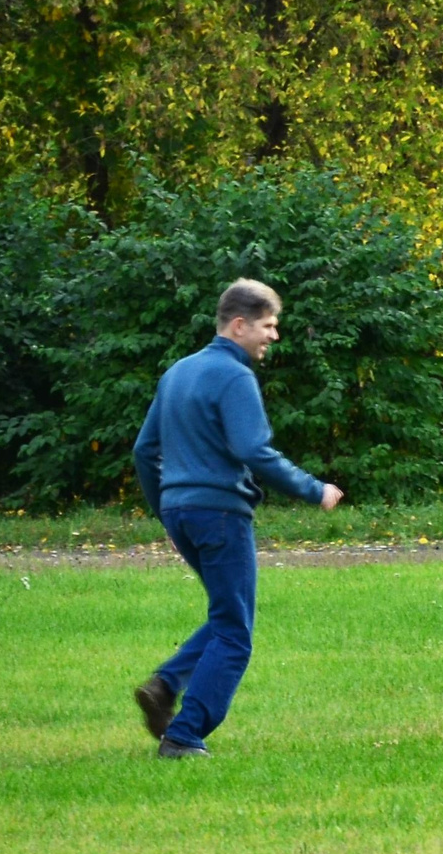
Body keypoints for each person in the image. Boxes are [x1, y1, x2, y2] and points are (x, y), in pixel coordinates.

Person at [130, 279, 343, 758]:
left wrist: (165, 510)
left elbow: (145, 450)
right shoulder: (234, 376)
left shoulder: (178, 373)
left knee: (229, 613)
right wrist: (314, 489)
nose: (274, 336)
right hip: (220, 514)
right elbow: (253, 450)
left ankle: (166, 685)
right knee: (234, 632)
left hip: (182, 512)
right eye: (268, 326)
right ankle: (184, 736)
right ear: (240, 324)